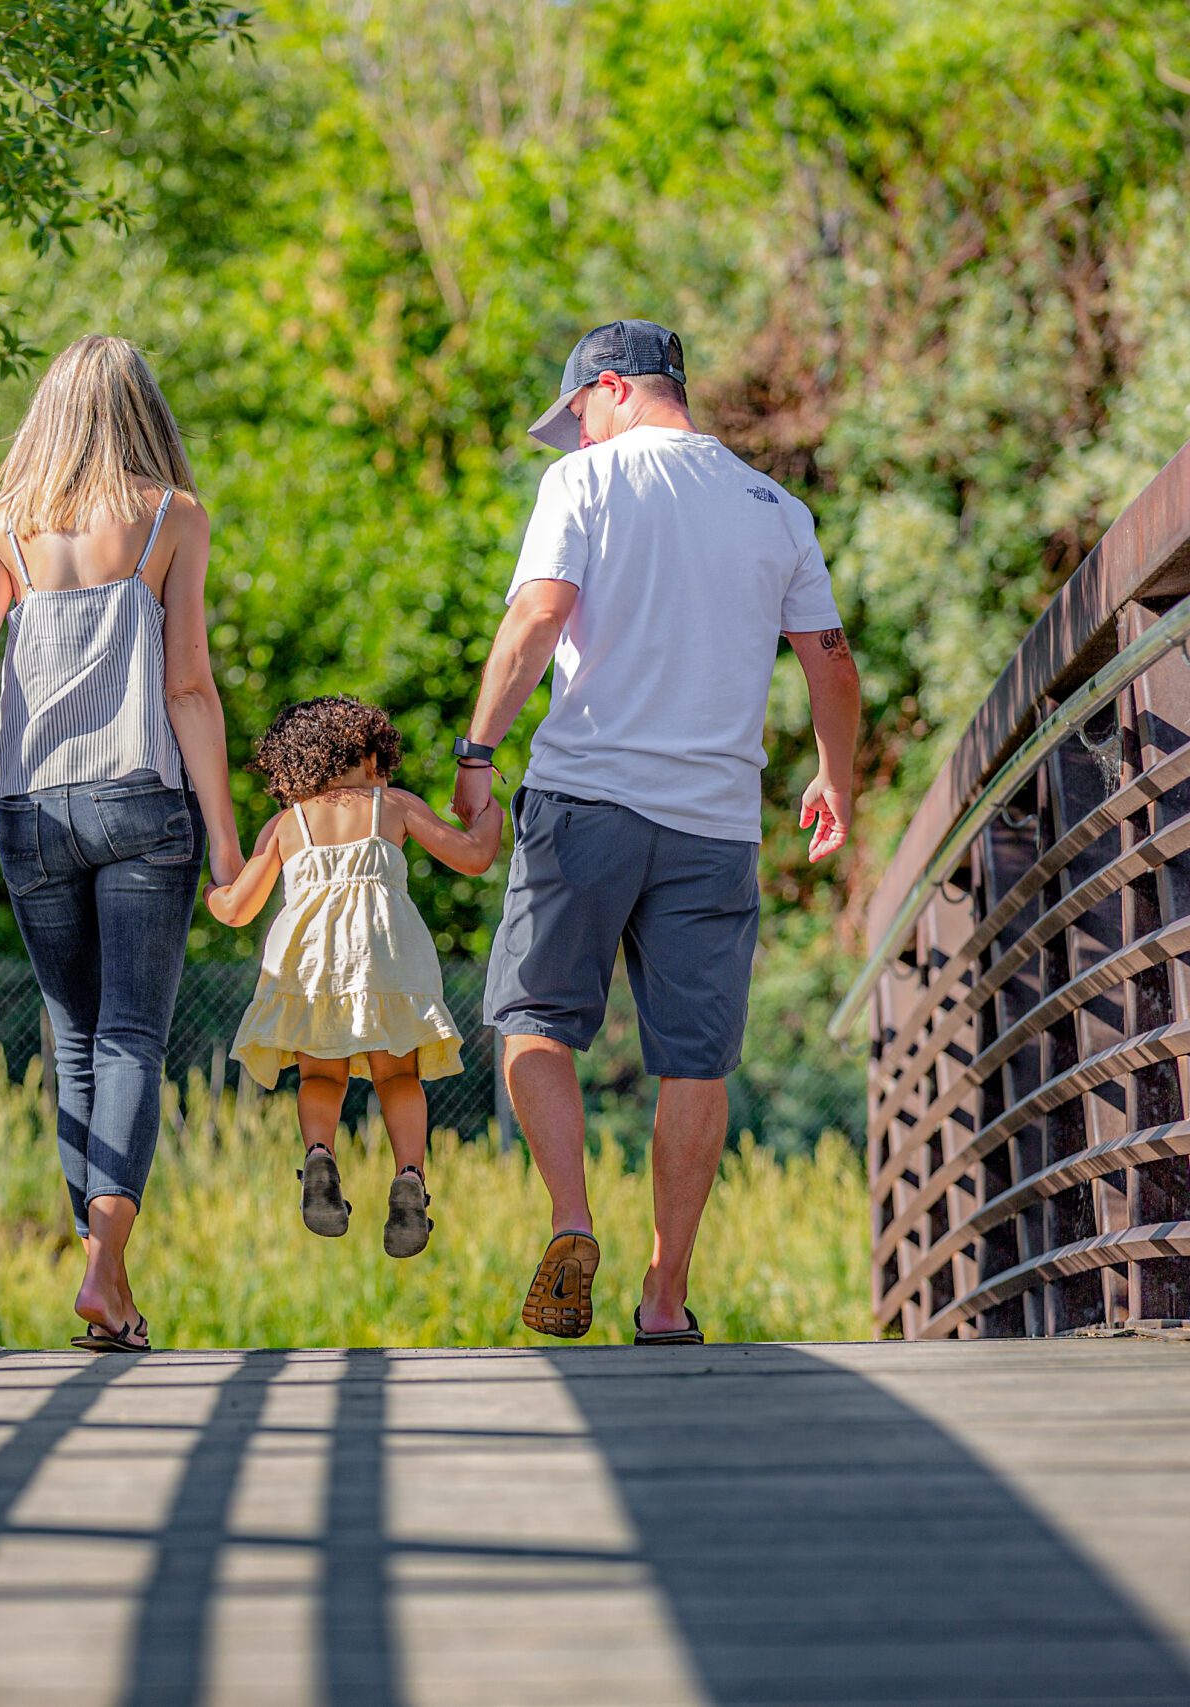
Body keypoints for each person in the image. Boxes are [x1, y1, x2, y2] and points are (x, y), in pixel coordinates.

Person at [451, 318, 862, 1345]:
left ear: (615, 387)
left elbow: (539, 614)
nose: (575, 436)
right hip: (715, 822)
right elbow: (832, 663)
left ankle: (571, 1219)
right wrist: (837, 780)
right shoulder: (777, 508)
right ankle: (666, 1296)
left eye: (578, 413)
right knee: (696, 1064)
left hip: (585, 799)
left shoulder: (583, 487)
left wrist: (474, 752)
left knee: (533, 1020)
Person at [0, 334, 243, 1356]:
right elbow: (187, 687)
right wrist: (223, 838)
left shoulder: (5, 527)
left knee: (72, 1039)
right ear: (145, 414)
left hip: (30, 812)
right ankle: (107, 1265)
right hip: (140, 802)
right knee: (130, 1035)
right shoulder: (172, 518)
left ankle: (103, 1277)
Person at [208, 697, 503, 1260]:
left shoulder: (286, 824)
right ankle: (410, 1175)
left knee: (322, 1077)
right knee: (398, 1077)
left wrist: (213, 895)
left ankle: (320, 1155)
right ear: (370, 756)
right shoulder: (391, 805)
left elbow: (238, 909)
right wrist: (487, 818)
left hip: (312, 966)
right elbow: (472, 858)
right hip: (387, 961)